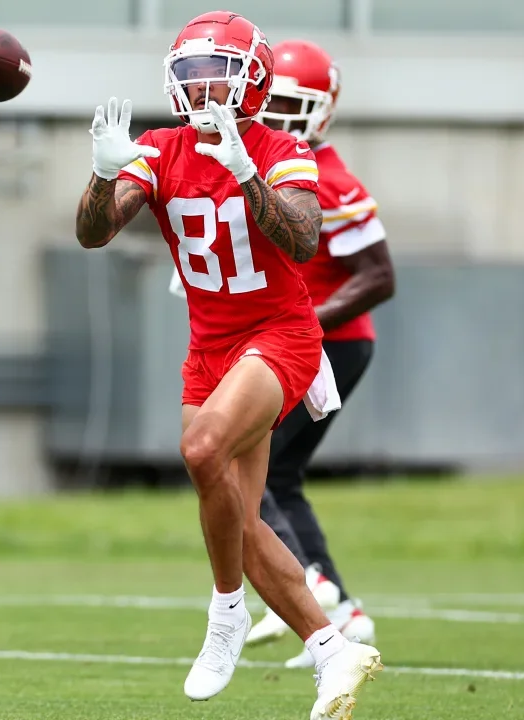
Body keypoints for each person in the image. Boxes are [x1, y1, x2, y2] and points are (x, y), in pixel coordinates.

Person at [74, 11, 382, 719]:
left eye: (217, 73)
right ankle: (334, 651)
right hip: (209, 348)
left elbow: (304, 241)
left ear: (253, 82)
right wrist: (101, 173)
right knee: (236, 515)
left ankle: (224, 616)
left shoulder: (280, 147)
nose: (202, 88)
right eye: (189, 74)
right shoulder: (159, 147)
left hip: (280, 333)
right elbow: (95, 233)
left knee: (200, 447)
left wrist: (246, 172)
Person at [169, 39, 395, 666]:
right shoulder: (226, 153)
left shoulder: (308, 167)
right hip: (267, 340)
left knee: (236, 470)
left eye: (303, 105)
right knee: (269, 478)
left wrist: (299, 329)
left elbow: (379, 275)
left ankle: (310, 593)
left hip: (320, 343)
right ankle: (335, 611)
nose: (290, 117)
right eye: (284, 103)